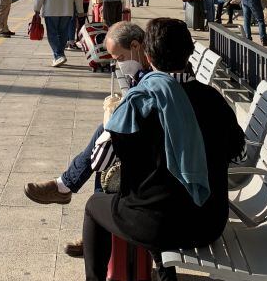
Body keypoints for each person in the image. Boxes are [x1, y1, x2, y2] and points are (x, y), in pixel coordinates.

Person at [63, 18, 244, 281]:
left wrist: (111, 123)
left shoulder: (142, 101)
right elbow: (237, 151)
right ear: (189, 52)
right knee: (168, 197)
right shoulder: (214, 99)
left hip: (158, 226)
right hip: (209, 222)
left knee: (96, 205)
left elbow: (102, 161)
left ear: (148, 55)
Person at [24, 21, 197, 257]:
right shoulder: (186, 87)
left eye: (119, 57)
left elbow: (100, 159)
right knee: (107, 136)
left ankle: (79, 209)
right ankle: (67, 189)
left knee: (108, 155)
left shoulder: (163, 84)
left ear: (138, 47)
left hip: (168, 188)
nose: (118, 64)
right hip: (184, 188)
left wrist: (118, 120)